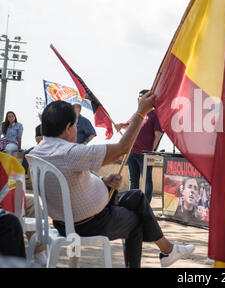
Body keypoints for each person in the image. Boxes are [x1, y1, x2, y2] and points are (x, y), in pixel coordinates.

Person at [30, 94, 194, 268]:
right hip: (88, 224)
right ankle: (165, 251)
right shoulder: (70, 153)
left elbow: (69, 180)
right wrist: (140, 112)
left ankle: (167, 250)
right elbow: (122, 148)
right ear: (69, 127)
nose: (77, 130)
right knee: (137, 221)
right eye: (76, 125)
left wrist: (103, 181)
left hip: (63, 220)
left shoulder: (37, 151)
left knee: (137, 197)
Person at [115, 89, 164, 203]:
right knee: (133, 179)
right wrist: (120, 125)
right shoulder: (137, 113)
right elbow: (128, 125)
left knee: (147, 180)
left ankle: (146, 204)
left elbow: (158, 134)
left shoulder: (154, 115)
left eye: (141, 96)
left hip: (145, 154)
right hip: (132, 152)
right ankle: (134, 202)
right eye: (138, 97)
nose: (139, 99)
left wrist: (152, 151)